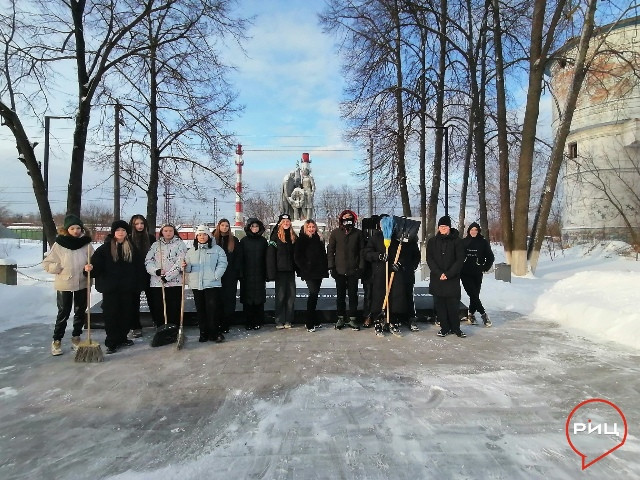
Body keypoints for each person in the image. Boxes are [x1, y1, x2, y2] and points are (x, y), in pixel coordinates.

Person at [88, 220, 143, 354]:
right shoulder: (104, 249)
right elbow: (97, 266)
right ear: (113, 232)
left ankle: (123, 337)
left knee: (126, 313)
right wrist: (90, 269)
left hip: (127, 288)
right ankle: (112, 341)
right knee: (111, 314)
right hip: (110, 288)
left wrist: (138, 284)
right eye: (118, 230)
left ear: (126, 232)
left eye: (123, 230)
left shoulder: (131, 248)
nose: (120, 232)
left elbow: (138, 267)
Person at [42, 214, 94, 356]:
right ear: (66, 230)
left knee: (80, 311)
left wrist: (90, 266)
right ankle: (57, 340)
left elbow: (94, 260)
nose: (76, 231)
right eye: (72, 228)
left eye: (78, 228)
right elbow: (47, 263)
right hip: (64, 283)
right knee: (63, 312)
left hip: (83, 283)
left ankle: (76, 337)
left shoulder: (86, 244)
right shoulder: (59, 244)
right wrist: (59, 268)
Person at [183, 224, 228, 343]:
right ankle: (203, 333)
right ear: (196, 237)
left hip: (212, 284)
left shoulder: (217, 249)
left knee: (212, 309)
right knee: (200, 310)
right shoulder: (191, 251)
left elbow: (223, 263)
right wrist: (184, 266)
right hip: (196, 285)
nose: (202, 237)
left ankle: (215, 333)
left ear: (209, 236)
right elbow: (188, 269)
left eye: (204, 234)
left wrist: (215, 276)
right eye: (199, 235)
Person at [426, 215, 466, 338]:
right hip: (437, 278)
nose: (443, 228)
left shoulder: (457, 241)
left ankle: (456, 328)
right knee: (440, 305)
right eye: (441, 226)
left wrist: (448, 274)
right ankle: (445, 328)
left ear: (449, 227)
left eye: (445, 226)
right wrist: (439, 273)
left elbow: (460, 259)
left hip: (451, 279)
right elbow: (429, 259)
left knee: (453, 305)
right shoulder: (432, 241)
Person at [144, 223, 187, 328]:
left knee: (174, 307)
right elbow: (148, 261)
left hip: (175, 282)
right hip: (157, 282)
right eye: (166, 231)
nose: (168, 233)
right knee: (160, 307)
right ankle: (161, 328)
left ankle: (174, 328)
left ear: (174, 232)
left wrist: (168, 277)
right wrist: (156, 271)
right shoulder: (155, 245)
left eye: (170, 231)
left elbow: (181, 261)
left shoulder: (180, 244)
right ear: (162, 232)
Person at [327, 209, 363, 331]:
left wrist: (361, 267)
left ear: (353, 220)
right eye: (345, 218)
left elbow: (361, 252)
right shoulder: (335, 233)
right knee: (340, 296)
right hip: (339, 270)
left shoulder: (358, 233)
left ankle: (353, 318)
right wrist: (332, 267)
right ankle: (340, 318)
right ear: (341, 220)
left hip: (353, 270)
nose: (347, 220)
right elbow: (330, 251)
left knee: (353, 295)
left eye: (350, 218)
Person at [294, 219, 329, 332]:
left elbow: (322, 254)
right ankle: (309, 321)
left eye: (313, 227)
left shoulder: (319, 238)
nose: (311, 229)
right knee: (313, 294)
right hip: (309, 272)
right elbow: (297, 256)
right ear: (305, 228)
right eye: (309, 227)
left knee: (315, 295)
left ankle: (313, 319)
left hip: (319, 271)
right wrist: (305, 266)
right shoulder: (302, 239)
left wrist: (325, 267)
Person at [266, 213, 297, 329]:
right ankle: (279, 320)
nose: (286, 223)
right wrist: (271, 272)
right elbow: (270, 256)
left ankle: (289, 319)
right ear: (280, 223)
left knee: (291, 296)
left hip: (290, 271)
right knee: (280, 296)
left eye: (288, 221)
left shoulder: (293, 236)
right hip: (280, 271)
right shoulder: (275, 237)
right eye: (284, 222)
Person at [461, 222, 495, 327]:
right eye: (472, 230)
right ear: (468, 231)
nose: (474, 232)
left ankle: (471, 314)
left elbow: (490, 257)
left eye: (476, 230)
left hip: (477, 273)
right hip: (465, 272)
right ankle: (483, 314)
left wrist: (485, 267)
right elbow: (457, 256)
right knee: (473, 294)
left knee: (474, 295)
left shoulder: (483, 242)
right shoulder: (463, 242)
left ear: (478, 231)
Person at [213, 218, 243, 333]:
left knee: (229, 299)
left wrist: (235, 272)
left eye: (227, 226)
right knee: (217, 299)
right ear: (218, 226)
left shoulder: (233, 240)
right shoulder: (213, 240)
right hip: (215, 274)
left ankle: (227, 322)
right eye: (222, 225)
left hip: (230, 275)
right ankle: (217, 321)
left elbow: (238, 257)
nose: (224, 228)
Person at [128, 214, 156, 338]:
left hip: (149, 274)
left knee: (154, 300)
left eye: (142, 223)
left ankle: (157, 321)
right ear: (133, 225)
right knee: (134, 302)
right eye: (137, 224)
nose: (139, 226)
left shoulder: (151, 238)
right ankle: (135, 326)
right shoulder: (128, 239)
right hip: (133, 274)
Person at [239, 218, 268, 330]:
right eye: (252, 226)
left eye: (256, 226)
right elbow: (240, 258)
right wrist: (241, 274)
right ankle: (248, 322)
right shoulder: (244, 241)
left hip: (260, 274)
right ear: (249, 228)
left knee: (259, 299)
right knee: (247, 300)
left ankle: (258, 321)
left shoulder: (263, 241)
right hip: (247, 275)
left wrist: (266, 273)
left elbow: (266, 258)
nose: (255, 228)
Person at [360, 216, 380, 328]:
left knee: (378, 294)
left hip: (379, 269)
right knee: (368, 294)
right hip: (367, 270)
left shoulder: (380, 237)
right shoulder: (363, 238)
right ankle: (367, 316)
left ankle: (377, 315)